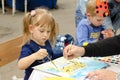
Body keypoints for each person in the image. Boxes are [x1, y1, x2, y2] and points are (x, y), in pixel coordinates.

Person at [17, 8, 59, 80]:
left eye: (48, 31)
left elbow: (51, 56)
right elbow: (20, 65)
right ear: (31, 29)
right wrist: (34, 56)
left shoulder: (46, 42)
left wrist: (63, 54)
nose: (45, 35)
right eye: (42, 31)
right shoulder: (28, 46)